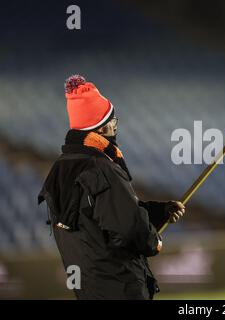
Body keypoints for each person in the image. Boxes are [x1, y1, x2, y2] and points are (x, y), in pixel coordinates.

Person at [38, 75, 185, 300]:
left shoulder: (60, 168)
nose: (115, 126)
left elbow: (99, 222)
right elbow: (129, 229)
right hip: (120, 288)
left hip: (89, 290)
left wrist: (157, 213)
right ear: (101, 127)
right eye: (112, 121)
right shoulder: (101, 167)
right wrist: (154, 241)